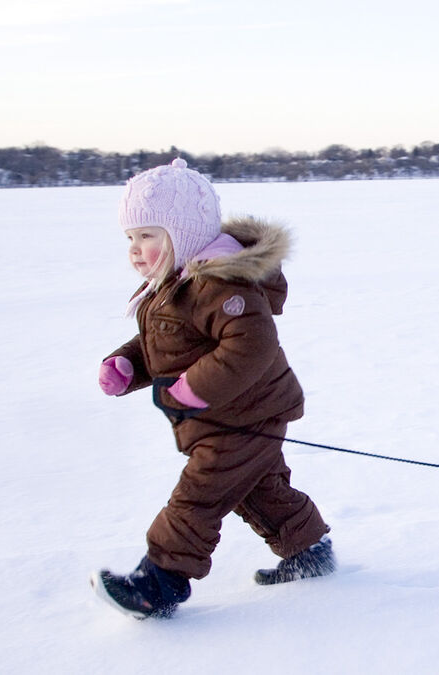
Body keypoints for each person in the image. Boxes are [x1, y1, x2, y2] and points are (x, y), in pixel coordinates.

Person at [91, 158, 334, 620]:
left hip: (245, 416)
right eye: (130, 238)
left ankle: (159, 582)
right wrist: (128, 364)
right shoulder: (176, 284)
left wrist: (191, 391)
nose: (136, 250)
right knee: (257, 489)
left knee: (199, 495)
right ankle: (308, 552)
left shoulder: (220, 283)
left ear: (181, 234)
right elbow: (168, 341)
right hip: (224, 415)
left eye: (148, 235)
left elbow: (251, 346)